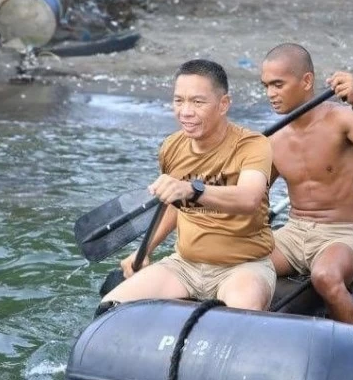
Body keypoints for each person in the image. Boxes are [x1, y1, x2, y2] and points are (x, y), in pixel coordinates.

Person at [102, 59, 276, 311]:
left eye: (197, 102)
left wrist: (193, 189)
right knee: (109, 308)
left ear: (223, 104)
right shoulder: (172, 147)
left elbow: (249, 199)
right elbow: (173, 206)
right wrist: (145, 249)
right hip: (184, 265)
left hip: (243, 267)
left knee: (237, 319)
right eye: (178, 100)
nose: (185, 111)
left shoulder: (253, 145)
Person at [261, 44, 353, 325]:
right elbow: (253, 193)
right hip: (292, 234)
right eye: (266, 86)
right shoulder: (274, 139)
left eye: (278, 84)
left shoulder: (342, 118)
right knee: (240, 264)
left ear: (306, 81)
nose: (270, 94)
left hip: (339, 235)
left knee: (325, 277)